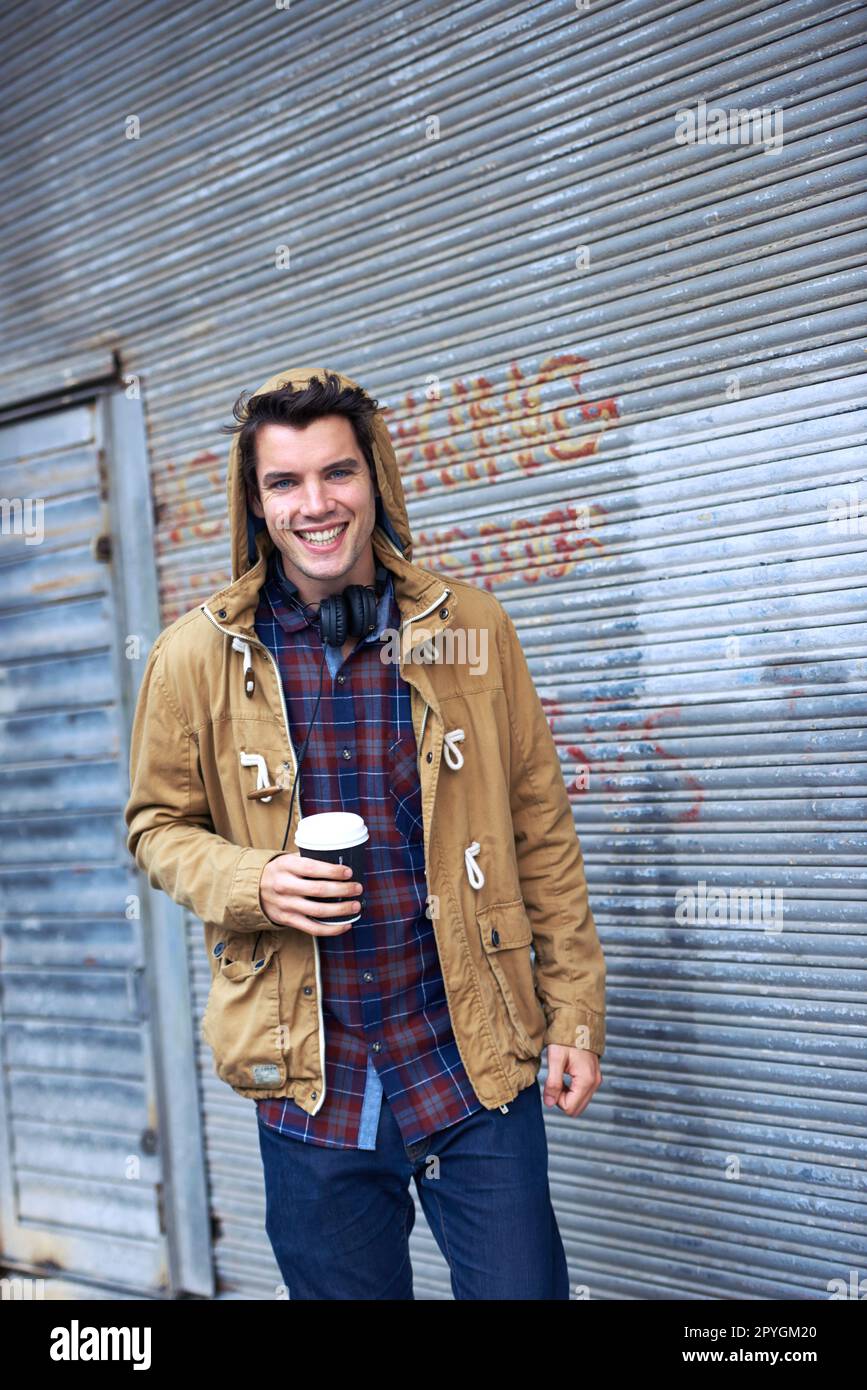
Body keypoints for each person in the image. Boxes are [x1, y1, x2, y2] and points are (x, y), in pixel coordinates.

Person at [124, 364, 606, 1300]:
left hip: (471, 1060)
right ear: (255, 502)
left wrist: (574, 1009)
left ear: (374, 477)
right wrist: (250, 881)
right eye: (285, 482)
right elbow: (156, 827)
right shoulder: (195, 658)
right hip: (312, 1076)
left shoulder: (466, 628)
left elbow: (538, 824)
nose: (316, 504)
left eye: (337, 473)